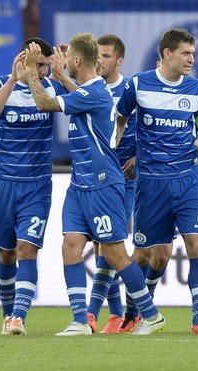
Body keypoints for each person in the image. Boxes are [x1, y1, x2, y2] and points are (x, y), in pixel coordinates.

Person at [24, 33, 165, 336]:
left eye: (67, 60)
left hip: (103, 183)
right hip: (79, 184)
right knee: (70, 245)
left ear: (76, 61)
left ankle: (151, 315)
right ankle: (80, 321)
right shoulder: (87, 92)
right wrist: (62, 76)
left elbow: (43, 103)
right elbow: (76, 95)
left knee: (114, 254)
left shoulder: (98, 93)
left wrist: (29, 73)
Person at [116, 28, 198, 335]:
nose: (192, 59)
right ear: (167, 53)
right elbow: (120, 119)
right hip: (151, 182)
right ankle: (134, 310)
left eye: (193, 53)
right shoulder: (138, 84)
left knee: (197, 242)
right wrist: (114, 146)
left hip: (188, 179)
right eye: (186, 53)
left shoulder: (197, 90)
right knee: (150, 254)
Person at [0, 37, 66, 336]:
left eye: (44, 65)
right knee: (6, 254)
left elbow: (79, 100)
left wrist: (61, 72)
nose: (42, 71)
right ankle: (7, 315)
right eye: (37, 65)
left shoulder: (49, 89)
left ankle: (19, 317)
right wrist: (15, 79)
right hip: (3, 182)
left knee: (26, 249)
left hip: (37, 185)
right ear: (22, 60)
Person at [85, 34, 139, 334]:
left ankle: (90, 313)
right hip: (94, 176)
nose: (100, 61)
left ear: (119, 60)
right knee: (99, 245)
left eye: (105, 56)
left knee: (110, 242)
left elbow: (148, 126)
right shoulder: (89, 87)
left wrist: (139, 157)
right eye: (97, 56)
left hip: (124, 177)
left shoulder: (130, 88)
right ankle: (116, 314)